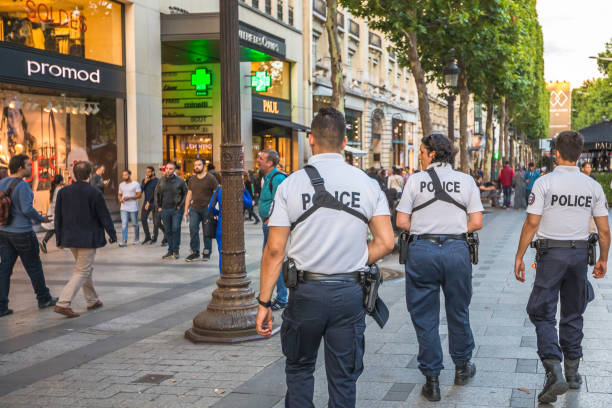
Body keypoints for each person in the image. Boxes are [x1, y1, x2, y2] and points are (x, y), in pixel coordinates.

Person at [255, 108, 394, 407]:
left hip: (305, 293)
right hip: (349, 293)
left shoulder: (290, 184)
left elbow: (275, 250)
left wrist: (264, 303)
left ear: (310, 140)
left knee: (300, 368)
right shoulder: (368, 184)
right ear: (345, 142)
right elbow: (386, 242)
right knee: (344, 378)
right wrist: (354, 257)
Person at [514, 131, 610, 404]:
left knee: (541, 311)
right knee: (573, 311)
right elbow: (604, 230)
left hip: (550, 254)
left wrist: (519, 255)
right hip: (579, 254)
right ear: (579, 155)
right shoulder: (592, 186)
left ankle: (554, 369)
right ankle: (573, 373)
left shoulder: (545, 183)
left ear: (556, 152)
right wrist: (603, 259)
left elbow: (532, 223)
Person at [396, 134, 484, 402]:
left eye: (422, 151)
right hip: (457, 251)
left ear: (433, 153)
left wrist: (426, 230)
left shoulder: (416, 180)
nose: (420, 156)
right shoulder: (466, 181)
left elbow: (401, 221)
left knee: (425, 316)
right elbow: (477, 221)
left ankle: (432, 380)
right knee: (458, 310)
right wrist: (454, 230)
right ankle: (461, 367)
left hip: (423, 251)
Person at [53, 161, 117, 318]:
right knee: (82, 270)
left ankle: (92, 300)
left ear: (74, 174)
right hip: (88, 238)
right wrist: (112, 233)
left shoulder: (63, 192)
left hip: (70, 238)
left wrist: (59, 238)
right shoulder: (94, 192)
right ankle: (63, 302)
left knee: (84, 268)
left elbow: (58, 217)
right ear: (90, 174)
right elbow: (104, 215)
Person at [0, 154, 57, 317]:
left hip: (4, 232)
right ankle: (43, 298)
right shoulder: (23, 186)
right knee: (33, 267)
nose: (31, 168)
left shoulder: (2, 183)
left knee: (4, 269)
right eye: (28, 165)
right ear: (20, 168)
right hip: (22, 233)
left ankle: (1, 306)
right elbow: (26, 209)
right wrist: (41, 218)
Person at [256, 149, 288, 311]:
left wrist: (271, 218)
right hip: (268, 224)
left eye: (261, 158)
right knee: (269, 261)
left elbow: (281, 201)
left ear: (270, 162)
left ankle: (282, 297)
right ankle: (269, 295)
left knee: (273, 260)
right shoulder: (266, 177)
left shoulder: (278, 178)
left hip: (273, 226)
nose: (257, 160)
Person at [208, 173, 253, 272]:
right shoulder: (237, 190)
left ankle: (223, 273)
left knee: (222, 252)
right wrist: (244, 189)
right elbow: (249, 203)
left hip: (221, 225)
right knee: (235, 252)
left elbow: (210, 207)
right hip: (235, 228)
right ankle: (234, 272)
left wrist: (220, 211)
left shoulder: (219, 189)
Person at [184, 158, 219, 262]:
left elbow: (216, 192)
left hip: (207, 209)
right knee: (193, 229)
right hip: (194, 208)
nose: (196, 167)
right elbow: (189, 194)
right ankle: (195, 252)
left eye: (199, 165)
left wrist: (213, 206)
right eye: (195, 165)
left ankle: (207, 252)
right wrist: (186, 210)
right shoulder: (192, 179)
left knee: (206, 231)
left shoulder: (211, 178)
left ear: (204, 166)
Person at [155, 162, 187, 259]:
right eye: (167, 169)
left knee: (175, 228)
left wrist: (180, 205)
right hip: (165, 209)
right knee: (168, 230)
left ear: (174, 170)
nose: (168, 170)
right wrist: (159, 207)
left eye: (171, 169)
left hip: (176, 210)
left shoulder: (180, 181)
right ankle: (170, 250)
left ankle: (176, 251)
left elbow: (186, 194)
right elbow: (156, 194)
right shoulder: (161, 181)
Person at [40, 174, 65, 253]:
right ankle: (45, 242)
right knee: (54, 228)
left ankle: (59, 244)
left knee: (55, 228)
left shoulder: (53, 189)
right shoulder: (59, 190)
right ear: (61, 181)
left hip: (53, 211)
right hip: (56, 212)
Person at [140, 166, 164, 245]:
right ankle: (147, 237)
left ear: (153, 172)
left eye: (149, 172)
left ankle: (156, 237)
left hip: (155, 203)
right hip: (146, 202)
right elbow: (140, 191)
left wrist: (149, 202)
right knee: (143, 218)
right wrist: (144, 183)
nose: (147, 173)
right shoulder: (144, 180)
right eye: (146, 172)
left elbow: (155, 193)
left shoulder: (157, 181)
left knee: (156, 222)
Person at [117, 169, 141, 247]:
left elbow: (139, 195)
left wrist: (129, 198)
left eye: (126, 175)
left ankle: (137, 239)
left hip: (133, 207)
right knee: (124, 224)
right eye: (123, 175)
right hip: (123, 207)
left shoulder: (135, 184)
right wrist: (120, 199)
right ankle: (124, 241)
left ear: (130, 175)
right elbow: (119, 194)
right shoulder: (121, 184)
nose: (124, 176)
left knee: (135, 224)